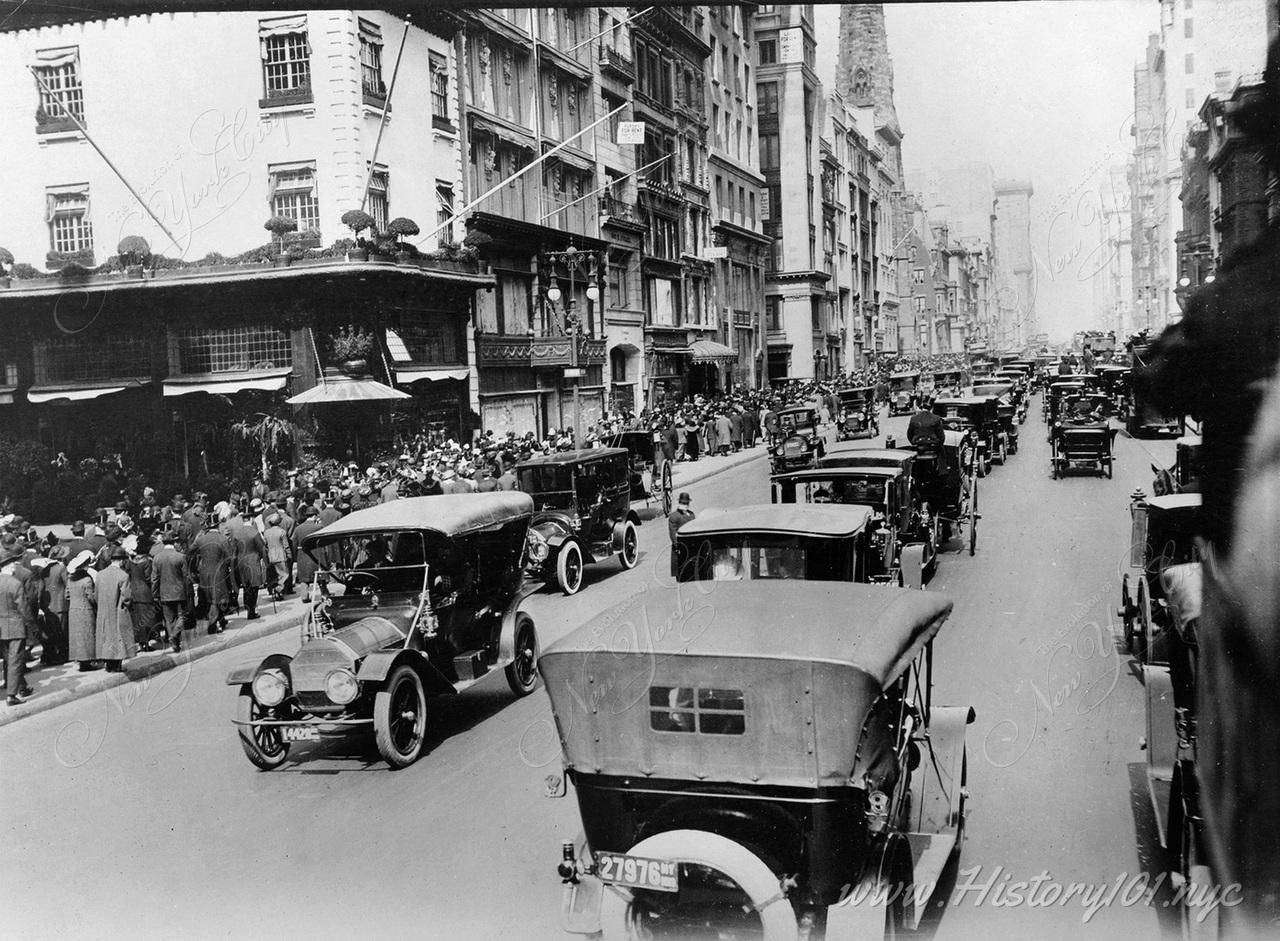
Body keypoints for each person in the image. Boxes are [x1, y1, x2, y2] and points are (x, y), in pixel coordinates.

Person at [0, 542, 34, 705]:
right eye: (12, 562)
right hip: (15, 626)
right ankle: (11, 695)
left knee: (9, 659)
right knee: (16, 660)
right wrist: (32, 626)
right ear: (7, 565)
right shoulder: (15, 584)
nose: (15, 564)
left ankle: (22, 686)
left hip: (1, 627)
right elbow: (24, 609)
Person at [95, 546, 135, 673]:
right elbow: (127, 597)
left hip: (103, 610)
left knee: (106, 636)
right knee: (119, 636)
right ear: (122, 561)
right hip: (118, 611)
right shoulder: (123, 575)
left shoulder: (100, 575)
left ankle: (108, 663)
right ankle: (117, 665)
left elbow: (96, 595)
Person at [192, 523, 235, 634]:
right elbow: (230, 558)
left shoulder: (201, 539)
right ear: (218, 527)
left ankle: (222, 621)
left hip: (204, 573)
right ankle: (212, 625)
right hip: (219, 573)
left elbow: (190, 552)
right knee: (216, 600)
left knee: (211, 597)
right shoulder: (222, 539)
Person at [151, 531, 190, 653]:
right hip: (179, 592)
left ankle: (174, 640)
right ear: (175, 542)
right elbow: (186, 577)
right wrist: (188, 592)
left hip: (164, 592)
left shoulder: (157, 558)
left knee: (169, 619)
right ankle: (174, 636)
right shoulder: (180, 556)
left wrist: (155, 593)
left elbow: (154, 578)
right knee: (183, 616)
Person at [228, 509, 267, 620]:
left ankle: (248, 607)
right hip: (253, 561)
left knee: (246, 585)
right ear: (251, 519)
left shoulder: (236, 534)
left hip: (241, 562)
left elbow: (234, 551)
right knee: (254, 586)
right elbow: (262, 548)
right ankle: (252, 610)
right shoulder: (254, 532)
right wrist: (266, 561)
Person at [66, 550, 98, 672]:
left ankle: (80, 660)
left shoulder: (70, 579)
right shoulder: (87, 580)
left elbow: (67, 595)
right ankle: (87, 662)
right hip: (85, 609)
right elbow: (90, 596)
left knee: (77, 637)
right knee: (87, 635)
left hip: (73, 610)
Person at [668, 492, 696, 578]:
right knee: (681, 570)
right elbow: (673, 532)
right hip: (681, 546)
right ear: (679, 503)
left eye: (687, 503)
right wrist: (677, 546)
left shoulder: (691, 514)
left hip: (692, 545)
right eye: (683, 503)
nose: (685, 505)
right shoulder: (674, 516)